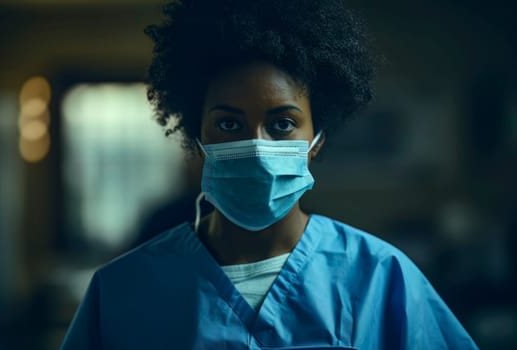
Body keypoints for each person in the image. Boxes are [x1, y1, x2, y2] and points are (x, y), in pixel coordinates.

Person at [60, 0, 479, 349]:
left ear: (317, 139)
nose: (256, 146)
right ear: (197, 135)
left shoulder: (381, 279)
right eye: (229, 124)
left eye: (281, 124)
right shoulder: (122, 292)